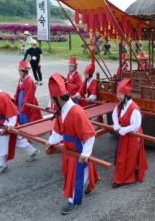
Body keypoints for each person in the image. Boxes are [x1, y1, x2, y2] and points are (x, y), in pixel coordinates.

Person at [45, 73, 100, 215]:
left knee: (75, 174)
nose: (51, 101)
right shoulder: (62, 110)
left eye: (52, 99)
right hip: (68, 146)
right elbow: (58, 130)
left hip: (78, 146)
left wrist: (85, 153)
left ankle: (73, 200)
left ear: (58, 98)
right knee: (71, 169)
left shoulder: (77, 112)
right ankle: (93, 181)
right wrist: (50, 141)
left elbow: (89, 135)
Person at [0, 68, 39, 177]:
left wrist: (10, 125)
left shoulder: (1, 96)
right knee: (18, 141)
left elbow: (12, 112)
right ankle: (33, 151)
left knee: (0, 144)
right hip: (1, 124)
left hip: (7, 124)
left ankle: (2, 165)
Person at [111, 78, 148, 188]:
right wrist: (117, 127)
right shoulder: (119, 105)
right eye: (117, 94)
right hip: (123, 134)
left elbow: (136, 125)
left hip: (132, 135)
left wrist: (121, 130)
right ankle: (120, 177)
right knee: (121, 156)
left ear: (126, 95)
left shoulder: (134, 108)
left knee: (130, 157)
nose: (118, 96)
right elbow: (114, 116)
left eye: (120, 94)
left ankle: (124, 178)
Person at [72, 53, 103, 127]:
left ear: (89, 74)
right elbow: (81, 90)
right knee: (89, 112)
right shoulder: (85, 81)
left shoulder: (94, 81)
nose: (84, 75)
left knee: (94, 112)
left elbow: (94, 92)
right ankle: (91, 125)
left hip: (93, 98)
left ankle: (95, 125)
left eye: (85, 74)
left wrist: (90, 98)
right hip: (89, 98)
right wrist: (76, 95)